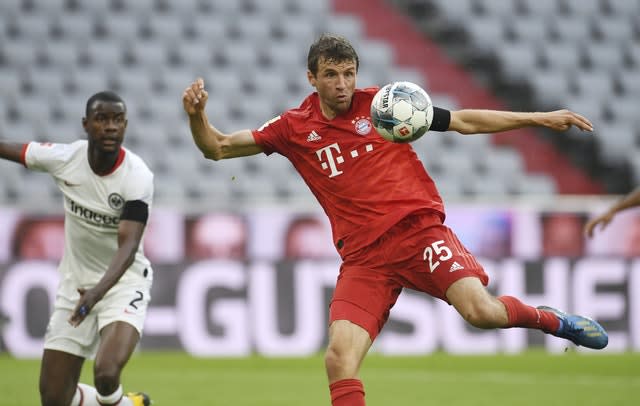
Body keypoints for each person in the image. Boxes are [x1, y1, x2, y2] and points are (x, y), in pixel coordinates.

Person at [182, 34, 608, 406]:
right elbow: (217, 148)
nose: (342, 84)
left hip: (419, 232)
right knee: (338, 359)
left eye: (348, 73)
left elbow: (462, 121)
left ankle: (552, 321)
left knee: (482, 313)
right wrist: (197, 116)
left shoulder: (388, 105)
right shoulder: (294, 127)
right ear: (311, 78)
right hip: (365, 258)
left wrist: (536, 117)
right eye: (331, 74)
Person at [0, 91, 152, 406]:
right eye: (102, 119)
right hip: (76, 286)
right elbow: (15, 149)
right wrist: (88, 291)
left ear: (125, 125)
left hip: (123, 283)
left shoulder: (137, 176)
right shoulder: (66, 158)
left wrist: (98, 292)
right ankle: (131, 404)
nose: (111, 127)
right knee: (54, 398)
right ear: (86, 124)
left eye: (117, 120)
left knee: (107, 372)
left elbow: (129, 246)